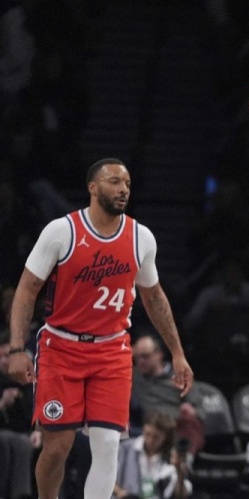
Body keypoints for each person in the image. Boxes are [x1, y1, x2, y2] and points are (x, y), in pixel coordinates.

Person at [6, 158, 194, 499]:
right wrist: (18, 348)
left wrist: (177, 353)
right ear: (92, 187)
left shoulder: (141, 238)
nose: (123, 189)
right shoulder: (62, 231)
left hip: (112, 349)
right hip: (61, 347)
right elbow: (26, 290)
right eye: (114, 181)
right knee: (57, 448)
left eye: (127, 184)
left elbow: (154, 298)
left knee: (108, 445)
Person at [113, 410, 192, 499]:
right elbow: (108, 478)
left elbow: (180, 495)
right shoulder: (126, 448)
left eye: (156, 437)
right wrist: (121, 493)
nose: (150, 440)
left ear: (166, 437)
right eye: (147, 434)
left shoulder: (173, 457)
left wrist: (179, 471)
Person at [0, 330, 40, 499]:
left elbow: (36, 408)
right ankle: (19, 495)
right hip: (4, 431)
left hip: (24, 431)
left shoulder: (27, 378)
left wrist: (38, 431)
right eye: (1, 356)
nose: (4, 361)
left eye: (8, 356)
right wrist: (2, 403)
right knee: (15, 442)